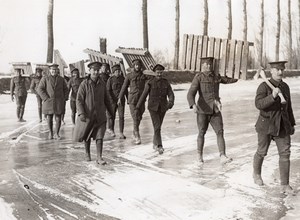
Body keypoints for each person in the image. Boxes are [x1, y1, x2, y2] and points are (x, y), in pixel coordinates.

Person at [253, 61, 296, 195]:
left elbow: (288, 107)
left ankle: (284, 185)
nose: (280, 72)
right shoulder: (263, 86)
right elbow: (259, 104)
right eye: (277, 69)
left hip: (282, 125)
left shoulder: (285, 87)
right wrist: (272, 96)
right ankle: (256, 174)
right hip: (266, 124)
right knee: (261, 152)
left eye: (282, 69)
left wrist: (291, 124)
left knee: (285, 154)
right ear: (271, 71)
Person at [187, 57, 238, 165]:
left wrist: (237, 75)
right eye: (206, 64)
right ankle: (199, 156)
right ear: (202, 65)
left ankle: (222, 155)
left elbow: (228, 80)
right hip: (202, 110)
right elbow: (191, 93)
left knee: (220, 131)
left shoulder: (216, 77)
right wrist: (193, 105)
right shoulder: (198, 77)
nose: (208, 66)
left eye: (210, 64)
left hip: (215, 109)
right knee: (201, 132)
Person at [73, 61, 113, 165]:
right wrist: (81, 113)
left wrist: (111, 112)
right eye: (93, 70)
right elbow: (79, 100)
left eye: (97, 70)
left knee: (100, 136)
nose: (96, 72)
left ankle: (99, 157)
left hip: (100, 115)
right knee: (87, 135)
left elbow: (107, 99)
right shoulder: (84, 84)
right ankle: (87, 153)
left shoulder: (102, 84)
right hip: (88, 115)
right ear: (89, 71)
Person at [136, 64, 175, 154]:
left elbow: (170, 94)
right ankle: (159, 145)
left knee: (158, 127)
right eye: (157, 73)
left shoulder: (166, 82)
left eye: (161, 73)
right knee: (157, 126)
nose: (159, 75)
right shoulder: (149, 82)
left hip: (163, 107)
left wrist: (171, 102)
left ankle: (154, 143)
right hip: (153, 108)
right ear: (154, 73)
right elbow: (143, 96)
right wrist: (138, 107)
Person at [118, 59, 148, 144]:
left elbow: (151, 78)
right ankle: (137, 136)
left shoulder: (144, 75)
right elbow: (124, 87)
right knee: (135, 117)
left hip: (141, 99)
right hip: (132, 100)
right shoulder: (129, 76)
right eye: (135, 65)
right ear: (133, 66)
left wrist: (149, 69)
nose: (137, 66)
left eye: (138, 65)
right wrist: (120, 97)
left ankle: (134, 132)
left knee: (139, 117)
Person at [37, 63, 69, 140]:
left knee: (58, 118)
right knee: (49, 117)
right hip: (49, 101)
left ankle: (57, 133)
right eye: (52, 70)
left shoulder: (61, 79)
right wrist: (45, 98)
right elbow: (40, 89)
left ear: (57, 70)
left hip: (59, 101)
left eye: (55, 70)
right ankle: (51, 133)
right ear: (50, 70)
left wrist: (64, 98)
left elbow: (66, 89)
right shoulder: (45, 79)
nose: (54, 71)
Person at [106, 64, 127, 139]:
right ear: (113, 72)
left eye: (119, 71)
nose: (118, 72)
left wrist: (127, 99)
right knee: (112, 116)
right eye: (116, 71)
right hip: (113, 101)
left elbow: (125, 90)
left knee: (121, 117)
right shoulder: (110, 79)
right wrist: (112, 100)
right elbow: (108, 91)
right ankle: (112, 130)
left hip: (121, 101)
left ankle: (121, 132)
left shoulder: (123, 79)